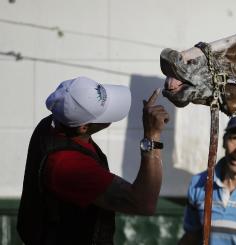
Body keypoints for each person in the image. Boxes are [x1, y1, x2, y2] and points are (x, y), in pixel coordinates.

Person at [17, 76, 169, 245]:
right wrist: (152, 135)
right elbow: (144, 203)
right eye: (103, 112)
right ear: (83, 127)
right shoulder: (68, 166)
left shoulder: (52, 124)